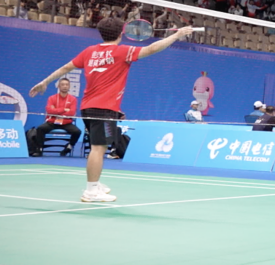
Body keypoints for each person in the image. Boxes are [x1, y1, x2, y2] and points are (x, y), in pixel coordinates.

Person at [28, 17, 194, 203]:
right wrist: (177, 35)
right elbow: (152, 48)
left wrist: (45, 82)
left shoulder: (89, 51)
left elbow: (66, 67)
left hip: (89, 108)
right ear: (121, 33)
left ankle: (95, 184)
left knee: (98, 147)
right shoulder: (122, 51)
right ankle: (91, 190)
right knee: (98, 148)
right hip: (103, 110)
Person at [27, 77, 81, 156]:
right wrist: (64, 109)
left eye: (67, 85)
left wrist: (56, 110)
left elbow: (72, 112)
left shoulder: (73, 99)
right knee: (40, 129)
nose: (65, 86)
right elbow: (49, 111)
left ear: (69, 86)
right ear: (58, 86)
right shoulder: (52, 98)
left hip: (66, 122)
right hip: (52, 121)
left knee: (77, 132)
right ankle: (39, 149)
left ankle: (69, 147)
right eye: (62, 85)